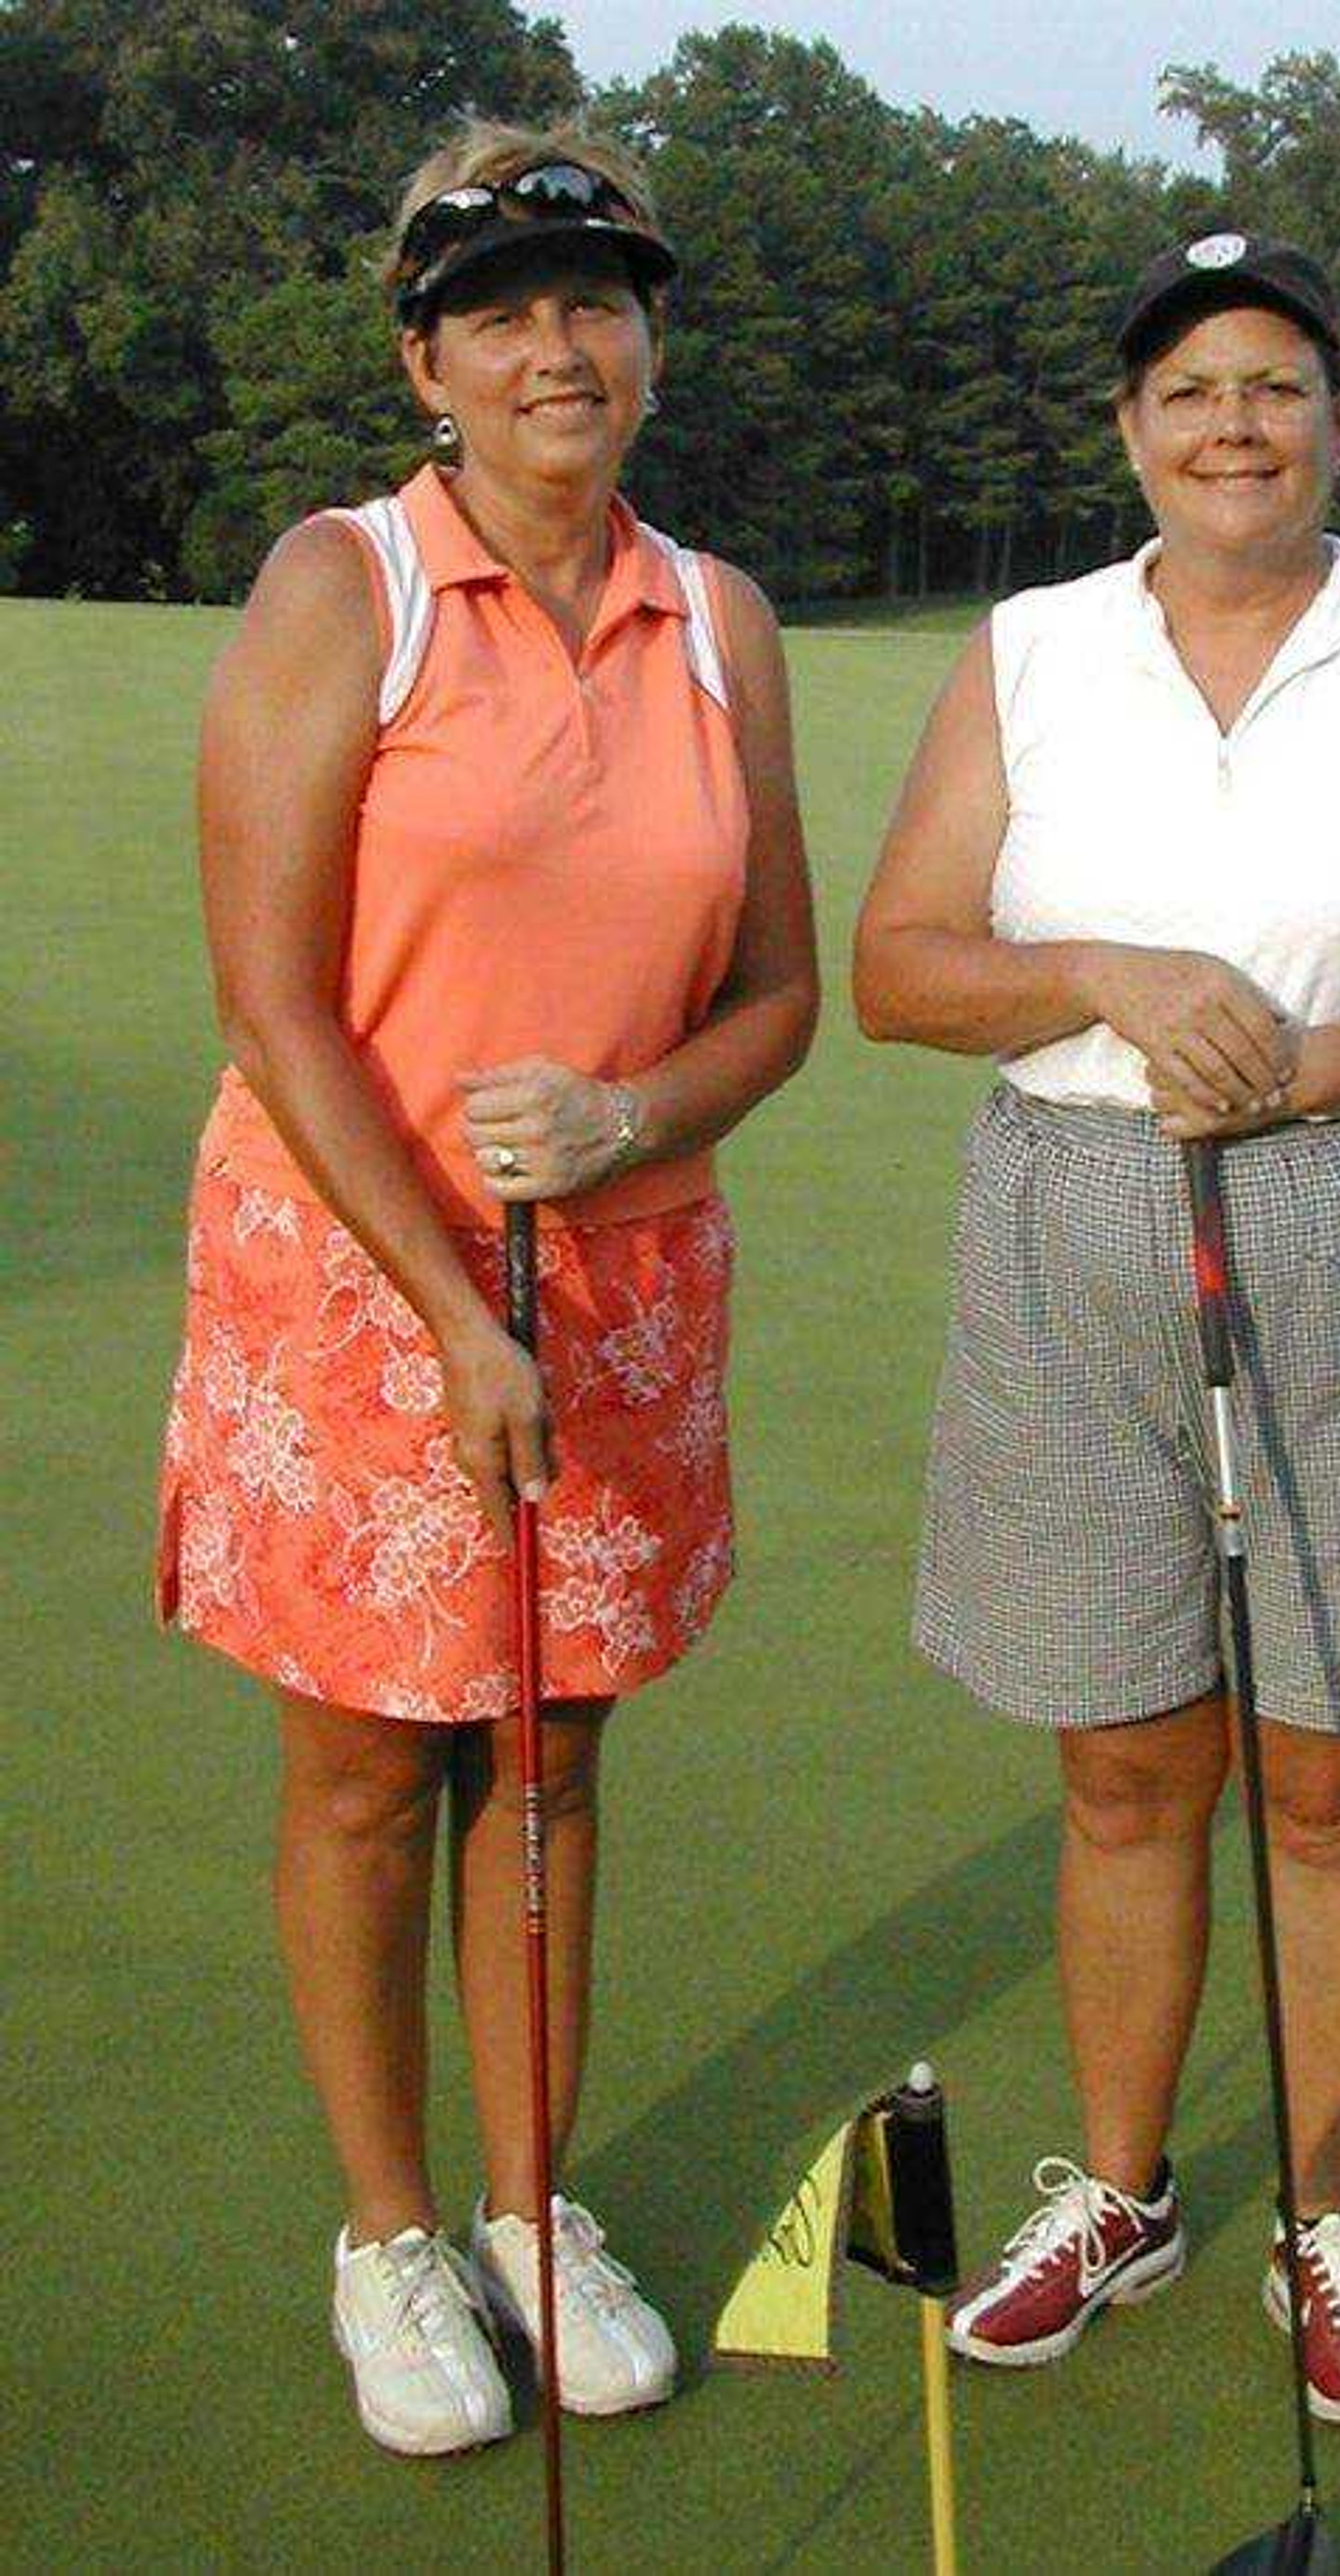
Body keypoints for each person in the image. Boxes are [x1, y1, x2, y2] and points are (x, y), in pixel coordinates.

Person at [853, 233, 1340, 2426]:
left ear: (1339, 426)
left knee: (1332, 1775)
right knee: (1123, 1757)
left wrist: (1301, 1068)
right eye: (1189, 391)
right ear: (1131, 434)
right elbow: (901, 961)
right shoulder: (1033, 650)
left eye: (1276, 385)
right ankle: (1132, 2185)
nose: (1233, 423)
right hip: (1075, 1217)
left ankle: (1322, 2210)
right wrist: (1105, 975)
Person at [155, 121, 817, 2455]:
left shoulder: (716, 615)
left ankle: (537, 2201)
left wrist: (638, 1119)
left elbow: (778, 995)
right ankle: (390, 2234)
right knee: (366, 1758)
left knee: (547, 1752)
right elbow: (276, 1002)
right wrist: (449, 1310)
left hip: (621, 1267)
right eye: (508, 306)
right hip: (361, 1270)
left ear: (649, 339)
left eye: (600, 297)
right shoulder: (349, 586)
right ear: (426, 356)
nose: (563, 342)